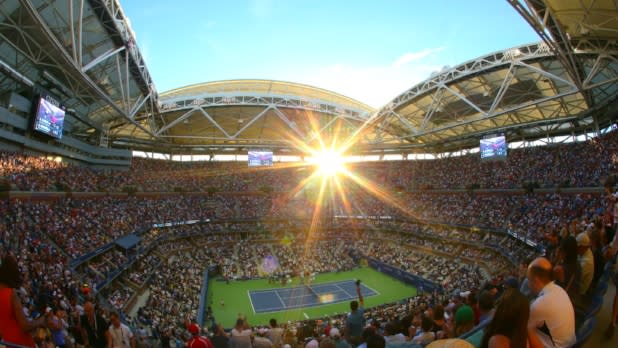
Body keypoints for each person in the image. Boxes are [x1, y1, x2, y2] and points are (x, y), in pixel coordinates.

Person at [526, 257, 576, 348]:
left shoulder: (540, 304)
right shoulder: (559, 289)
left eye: (529, 279)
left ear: (536, 280)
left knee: (525, 330)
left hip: (560, 346)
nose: (528, 284)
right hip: (570, 343)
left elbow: (527, 325)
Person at [0, 254, 48, 347]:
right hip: (18, 341)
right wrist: (42, 320)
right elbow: (25, 326)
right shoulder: (11, 293)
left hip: (4, 341)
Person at [345, 280, 365, 346]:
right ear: (357, 306)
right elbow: (361, 300)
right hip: (361, 335)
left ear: (350, 307)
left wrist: (347, 340)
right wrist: (359, 291)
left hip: (353, 338)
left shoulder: (349, 318)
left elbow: (348, 331)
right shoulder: (361, 311)